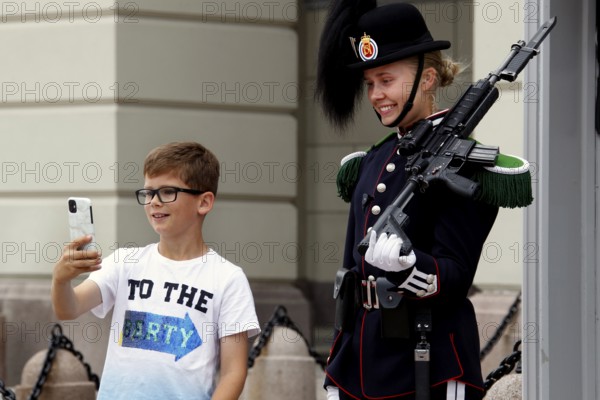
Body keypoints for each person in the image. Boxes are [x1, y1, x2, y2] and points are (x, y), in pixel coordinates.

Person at [315, 1, 532, 400]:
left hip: (427, 364)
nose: (377, 95)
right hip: (360, 363)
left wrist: (409, 267)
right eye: (370, 84)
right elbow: (350, 275)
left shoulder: (463, 163)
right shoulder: (370, 162)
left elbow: (454, 277)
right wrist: (337, 368)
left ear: (428, 79)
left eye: (386, 80)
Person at [52, 142, 260, 400]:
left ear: (204, 202)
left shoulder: (228, 278)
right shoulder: (124, 262)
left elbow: (233, 372)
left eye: (167, 192)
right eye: (149, 193)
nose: (154, 202)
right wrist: (61, 280)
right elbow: (68, 308)